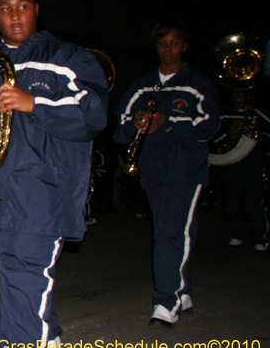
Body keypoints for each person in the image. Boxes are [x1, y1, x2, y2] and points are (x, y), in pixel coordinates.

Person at [0, 0, 108, 348]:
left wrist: (34, 102)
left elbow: (94, 116)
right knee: (17, 280)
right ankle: (45, 336)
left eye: (22, 7)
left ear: (36, 9)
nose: (14, 15)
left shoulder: (70, 58)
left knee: (22, 279)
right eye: (4, 8)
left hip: (44, 192)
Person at [114, 20, 219, 328]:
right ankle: (182, 289)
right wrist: (137, 122)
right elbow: (119, 129)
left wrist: (168, 121)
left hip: (185, 169)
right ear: (155, 47)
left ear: (184, 46)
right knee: (170, 229)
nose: (168, 49)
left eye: (174, 43)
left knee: (170, 232)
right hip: (152, 169)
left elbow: (211, 124)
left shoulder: (197, 81)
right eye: (162, 44)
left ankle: (165, 301)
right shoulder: (144, 84)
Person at [216, 90, 269, 252]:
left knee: (254, 201)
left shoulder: (257, 112)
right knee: (233, 200)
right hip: (232, 163)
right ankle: (235, 235)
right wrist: (227, 137)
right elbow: (214, 133)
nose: (237, 97)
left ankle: (260, 239)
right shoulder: (225, 113)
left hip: (253, 163)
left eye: (241, 94)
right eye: (235, 94)